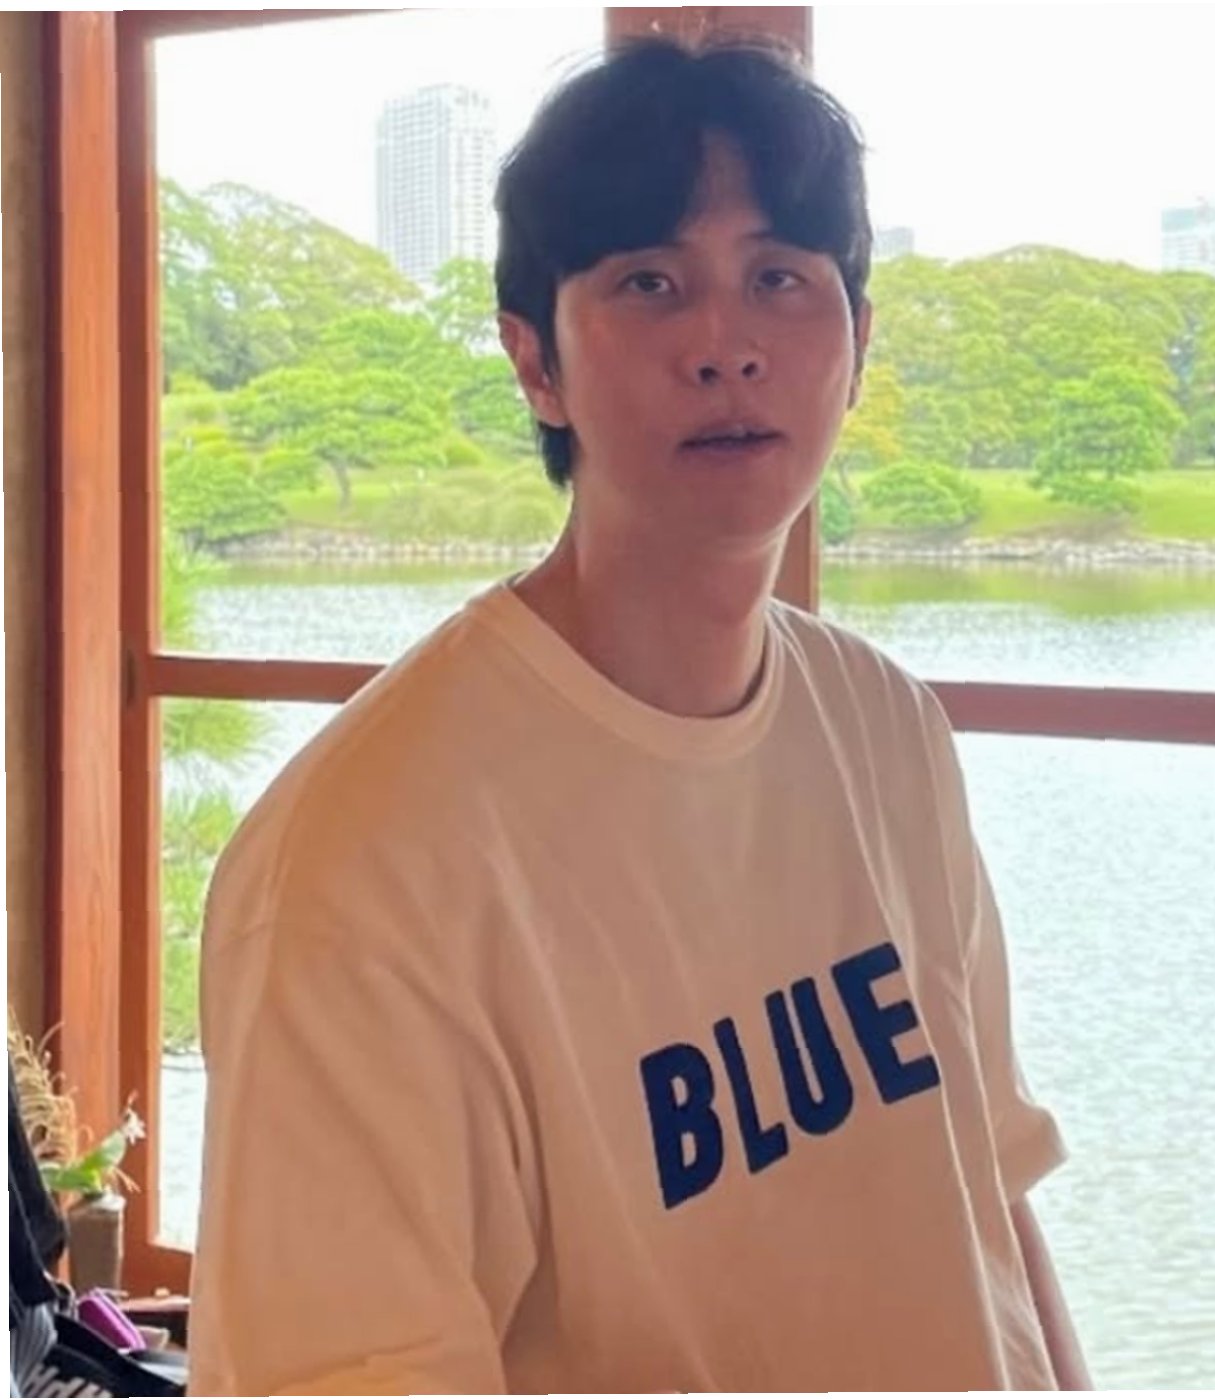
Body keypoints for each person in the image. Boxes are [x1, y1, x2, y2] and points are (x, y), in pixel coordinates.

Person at [188, 36, 1091, 1395]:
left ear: (856, 344)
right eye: (650, 283)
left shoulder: (884, 726)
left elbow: (988, 1205)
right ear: (534, 362)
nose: (725, 345)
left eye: (779, 277)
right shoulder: (360, 865)